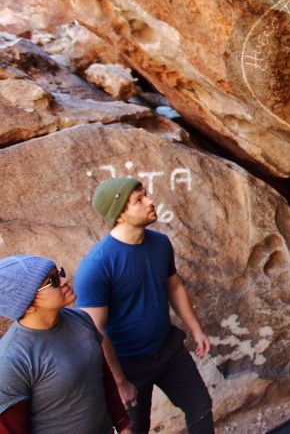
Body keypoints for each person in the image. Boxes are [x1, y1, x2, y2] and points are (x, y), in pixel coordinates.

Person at [74, 178, 214, 433]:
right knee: (137, 429)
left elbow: (175, 286)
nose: (150, 201)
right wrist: (119, 382)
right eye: (138, 200)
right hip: (129, 365)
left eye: (146, 195)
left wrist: (196, 329)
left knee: (200, 406)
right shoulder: (96, 266)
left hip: (168, 350)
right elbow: (95, 331)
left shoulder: (160, 243)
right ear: (119, 215)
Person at [0, 254, 131, 433]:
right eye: (53, 281)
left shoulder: (81, 319)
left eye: (59, 272)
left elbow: (103, 377)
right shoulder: (12, 360)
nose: (64, 280)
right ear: (27, 305)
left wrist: (123, 425)